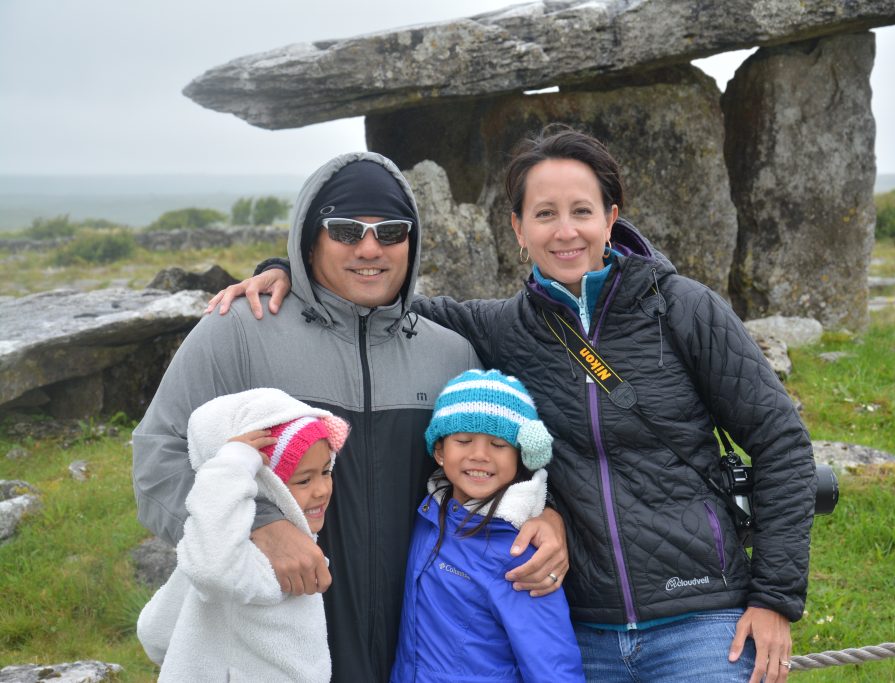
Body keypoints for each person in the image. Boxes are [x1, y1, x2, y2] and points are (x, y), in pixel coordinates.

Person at [211, 126, 816, 683]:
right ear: (518, 228)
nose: (565, 231)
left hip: (701, 617)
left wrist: (775, 600)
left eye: (582, 211)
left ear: (611, 218)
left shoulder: (683, 310)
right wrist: (291, 271)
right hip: (579, 624)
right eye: (544, 213)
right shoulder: (502, 329)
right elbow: (382, 299)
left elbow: (780, 443)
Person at [132, 152, 569, 683]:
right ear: (309, 239)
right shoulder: (239, 333)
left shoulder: (452, 356)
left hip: (419, 654)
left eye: (390, 231)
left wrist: (546, 516)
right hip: (274, 649)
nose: (369, 248)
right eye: (344, 229)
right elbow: (158, 455)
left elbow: (496, 470)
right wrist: (257, 527)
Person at [136, 388, 351, 681]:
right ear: (263, 484)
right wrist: (230, 467)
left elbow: (155, 630)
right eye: (304, 479)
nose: (322, 490)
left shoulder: (226, 545)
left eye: (326, 471)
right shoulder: (257, 559)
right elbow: (212, 569)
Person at [390, 369, 585, 682]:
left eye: (498, 444)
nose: (479, 455)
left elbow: (552, 661)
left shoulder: (521, 549)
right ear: (439, 451)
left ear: (520, 456)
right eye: (464, 440)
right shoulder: (429, 515)